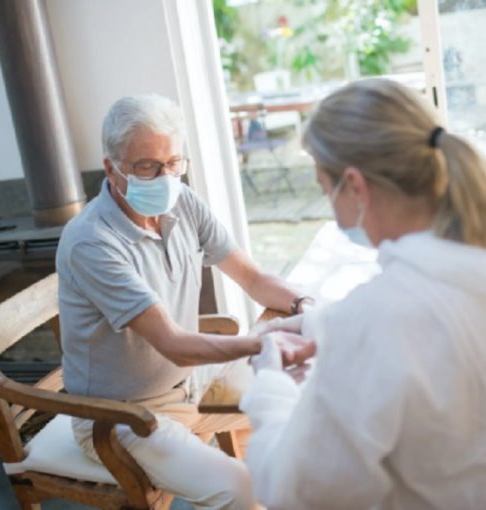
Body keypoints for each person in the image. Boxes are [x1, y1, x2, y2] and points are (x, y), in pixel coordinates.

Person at [240, 78, 486, 509]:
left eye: (327, 191)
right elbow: (458, 331)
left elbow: (298, 493)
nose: (331, 207)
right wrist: (321, 325)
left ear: (356, 186)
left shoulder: (381, 318)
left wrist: (271, 385)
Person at [56, 94, 313, 510]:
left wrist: (305, 307)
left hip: (188, 379)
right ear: (112, 168)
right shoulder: (91, 241)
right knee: (239, 490)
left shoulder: (181, 202)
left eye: (174, 162)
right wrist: (266, 340)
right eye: (147, 167)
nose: (165, 177)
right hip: (121, 417)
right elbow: (174, 342)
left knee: (310, 394)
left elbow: (252, 277)